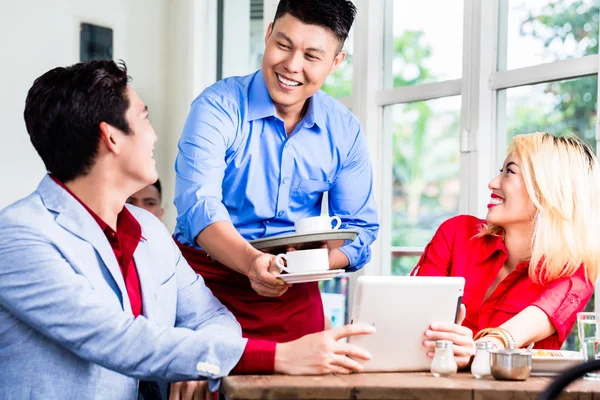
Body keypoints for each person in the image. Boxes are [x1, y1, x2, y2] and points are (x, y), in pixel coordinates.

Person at [0, 60, 375, 400]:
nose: (154, 136)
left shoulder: (149, 229)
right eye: (144, 119)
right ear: (111, 137)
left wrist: (200, 362)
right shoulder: (20, 235)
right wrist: (279, 356)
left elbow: (214, 317)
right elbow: (118, 339)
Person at [173, 0, 379, 355]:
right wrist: (254, 263)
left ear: (335, 63)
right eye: (283, 45)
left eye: (312, 56)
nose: (292, 65)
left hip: (294, 300)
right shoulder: (217, 107)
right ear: (268, 35)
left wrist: (303, 266)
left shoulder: (344, 129)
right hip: (205, 290)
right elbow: (197, 206)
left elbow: (360, 228)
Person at [413, 132, 600, 368]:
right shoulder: (457, 233)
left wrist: (479, 350)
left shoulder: (574, 270)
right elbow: (413, 321)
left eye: (509, 172)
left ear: (548, 190)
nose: (492, 183)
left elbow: (514, 333)